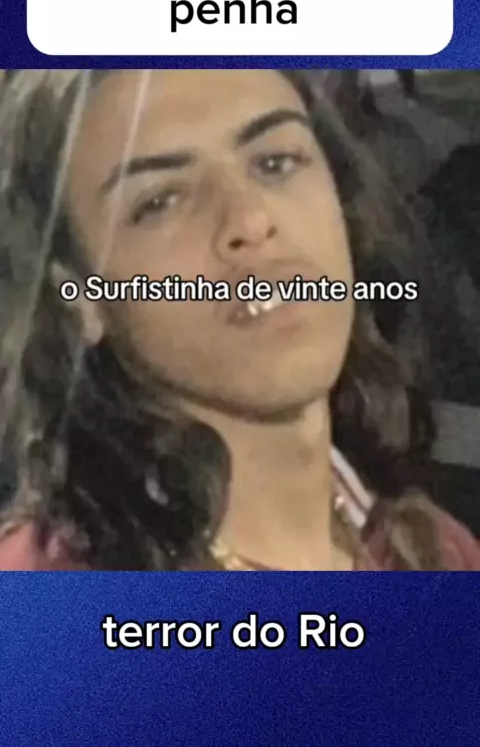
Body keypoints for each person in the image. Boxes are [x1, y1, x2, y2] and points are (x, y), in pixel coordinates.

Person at [0, 69, 478, 571]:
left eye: (275, 163)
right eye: (160, 201)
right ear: (78, 298)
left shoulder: (430, 548)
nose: (250, 220)